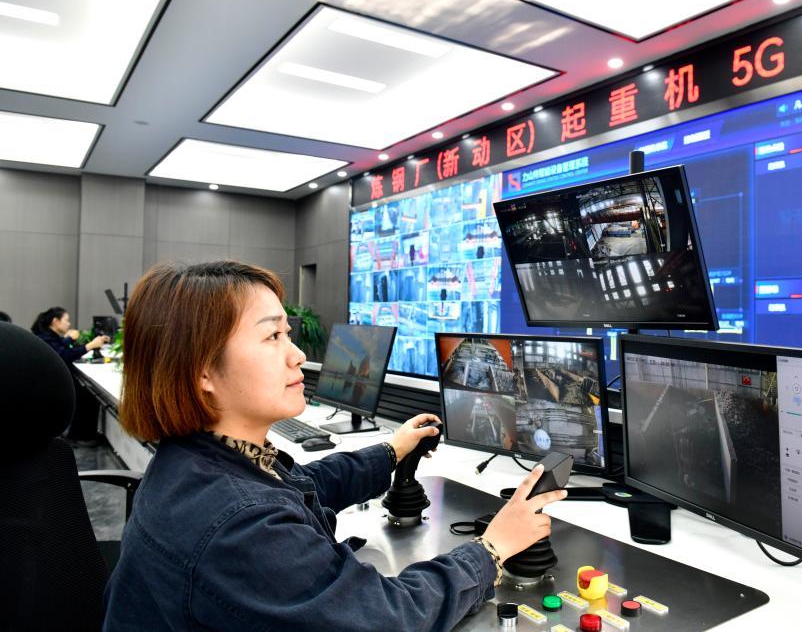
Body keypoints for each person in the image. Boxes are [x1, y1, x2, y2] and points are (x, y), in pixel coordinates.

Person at [103, 261, 565, 631]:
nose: (298, 354)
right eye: (272, 336)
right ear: (202, 371)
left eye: (288, 334)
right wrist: (491, 549)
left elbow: (302, 483)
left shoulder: (202, 458)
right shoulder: (238, 523)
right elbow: (387, 619)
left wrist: (390, 452)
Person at [31, 307, 111, 447]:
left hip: (52, 380)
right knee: (86, 395)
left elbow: (61, 347)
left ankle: (85, 434)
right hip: (52, 383)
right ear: (55, 321)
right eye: (66, 320)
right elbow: (63, 355)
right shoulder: (46, 337)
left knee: (86, 392)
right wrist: (90, 346)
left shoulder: (48, 335)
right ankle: (79, 437)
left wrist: (69, 339)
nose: (69, 324)